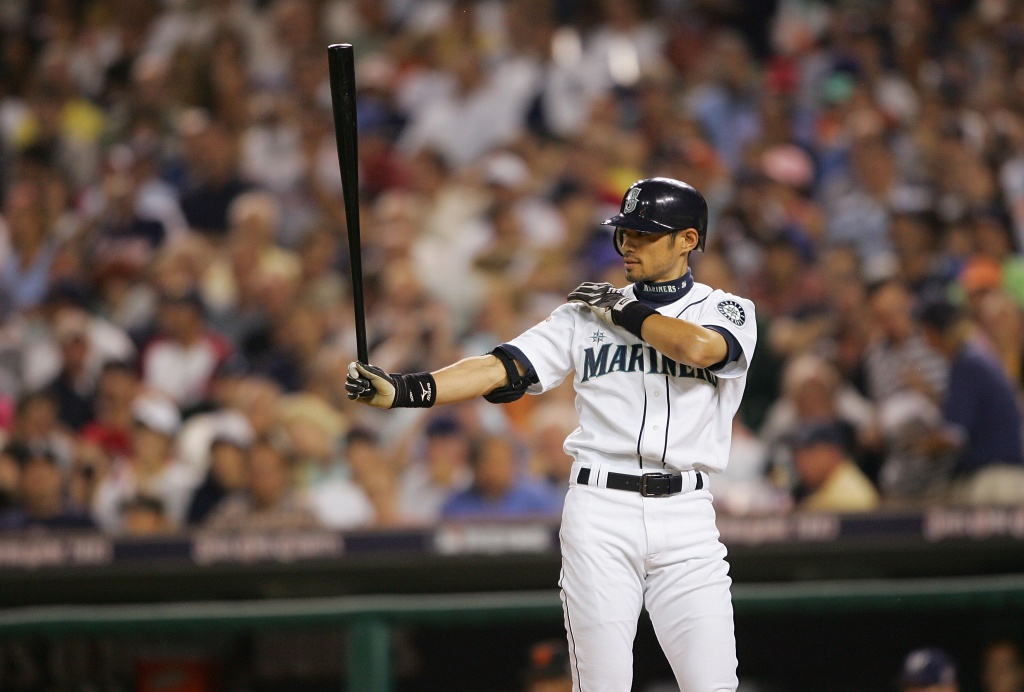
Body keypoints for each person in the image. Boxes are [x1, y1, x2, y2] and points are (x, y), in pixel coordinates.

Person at [347, 178, 756, 691]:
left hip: (688, 515)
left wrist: (622, 309)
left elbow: (698, 349)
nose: (628, 243)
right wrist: (409, 389)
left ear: (688, 240)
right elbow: (502, 366)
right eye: (625, 231)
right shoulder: (585, 314)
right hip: (602, 510)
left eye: (645, 235)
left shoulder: (727, 310)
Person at [791, 421, 880, 513]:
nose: (801, 463)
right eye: (798, 455)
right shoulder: (829, 485)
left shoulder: (850, 494)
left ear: (834, 453)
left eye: (810, 454)